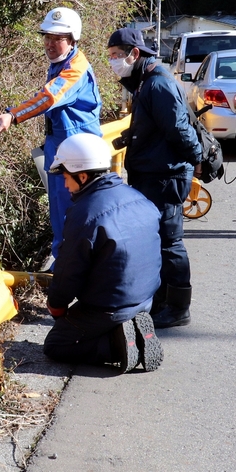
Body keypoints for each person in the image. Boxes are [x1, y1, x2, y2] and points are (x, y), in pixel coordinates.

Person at [42, 133, 163, 373]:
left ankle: (117, 345)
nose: (65, 185)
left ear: (83, 176)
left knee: (55, 344)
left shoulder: (84, 214)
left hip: (108, 306)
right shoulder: (139, 198)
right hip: (146, 298)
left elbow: (69, 270)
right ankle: (129, 327)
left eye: (67, 178)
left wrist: (57, 306)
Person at [0, 7, 102, 268]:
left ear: (72, 39)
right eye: (47, 37)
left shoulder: (74, 69)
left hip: (78, 149)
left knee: (72, 209)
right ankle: (61, 261)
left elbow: (49, 97)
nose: (51, 44)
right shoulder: (59, 63)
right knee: (58, 207)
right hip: (60, 145)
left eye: (58, 38)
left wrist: (13, 114)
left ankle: (71, 266)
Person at [108, 28, 201, 329]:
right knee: (158, 240)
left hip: (166, 175)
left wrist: (197, 159)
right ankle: (162, 300)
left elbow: (178, 129)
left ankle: (178, 308)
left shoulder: (157, 83)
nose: (113, 62)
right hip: (153, 173)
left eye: (116, 56)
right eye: (110, 57)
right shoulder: (145, 82)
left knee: (170, 241)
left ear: (135, 54)